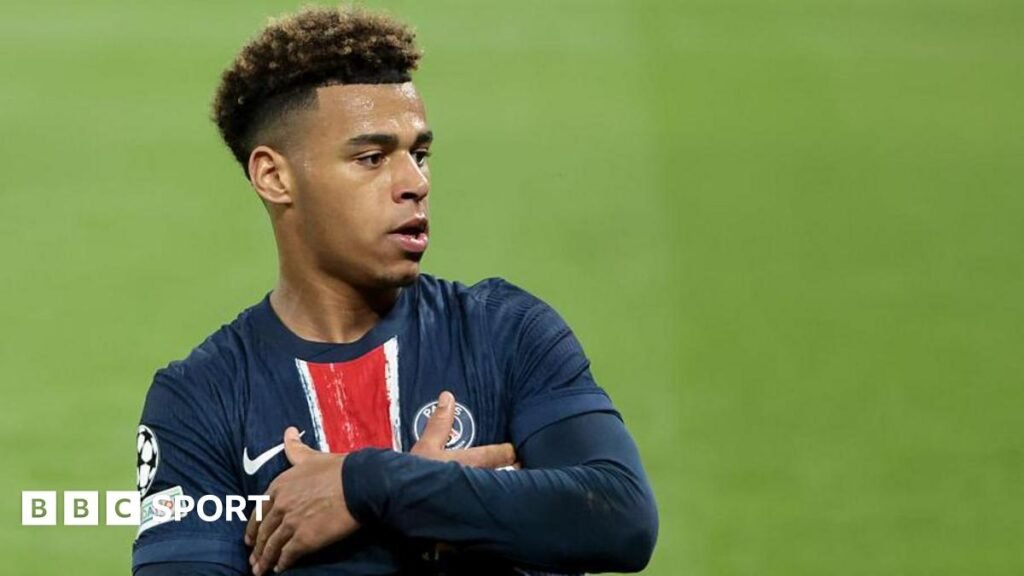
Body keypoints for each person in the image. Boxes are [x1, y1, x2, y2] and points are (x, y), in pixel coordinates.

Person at [132, 6, 658, 575]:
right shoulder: (203, 398)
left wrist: (376, 484)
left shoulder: (505, 332)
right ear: (275, 177)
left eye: (419, 154)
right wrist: (460, 513)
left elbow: (620, 519)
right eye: (371, 158)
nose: (414, 183)